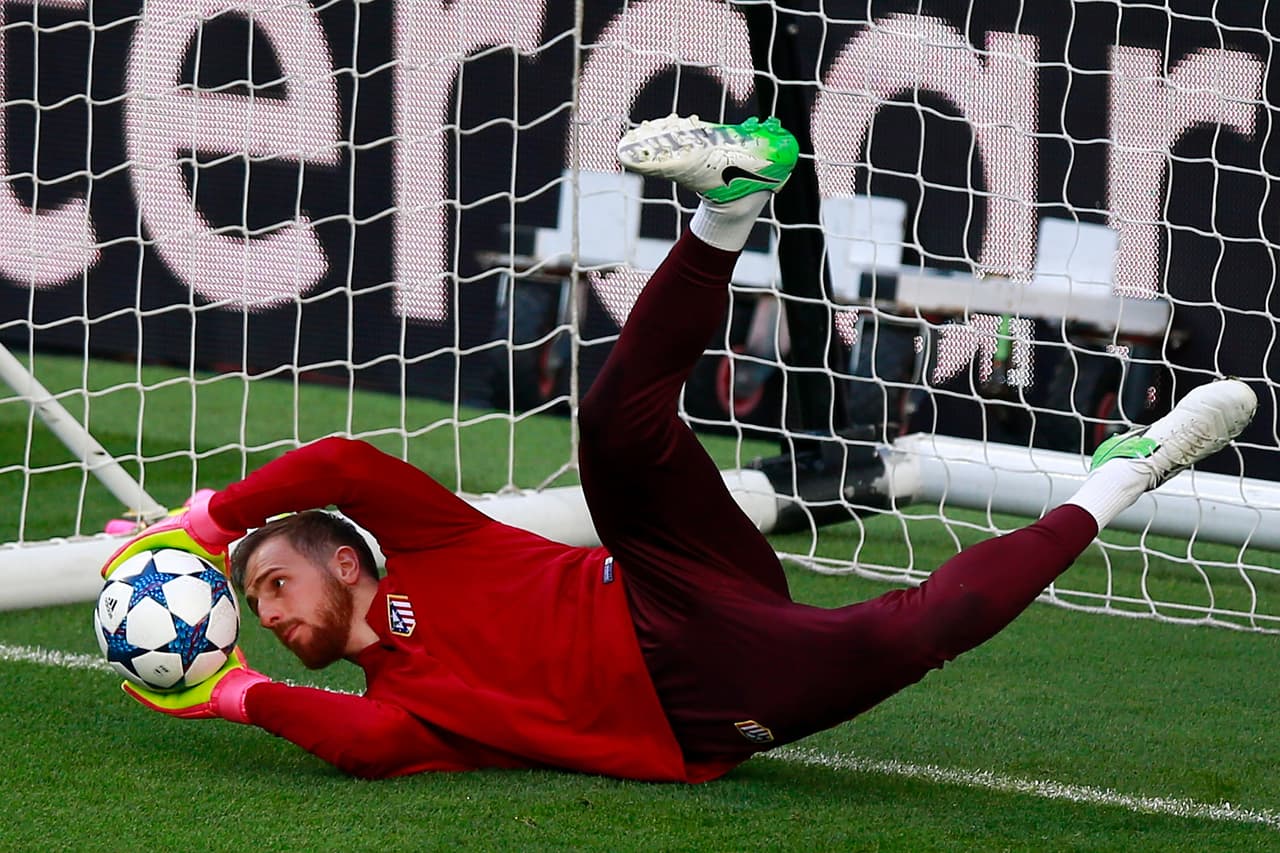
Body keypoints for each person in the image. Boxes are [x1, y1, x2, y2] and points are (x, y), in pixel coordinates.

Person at [101, 114, 1258, 782]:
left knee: (610, 423)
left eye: (273, 582)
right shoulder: (415, 703)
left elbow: (344, 461)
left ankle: (730, 204)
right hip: (701, 701)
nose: (266, 609)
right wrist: (230, 690)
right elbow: (359, 741)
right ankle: (1122, 475)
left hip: (661, 577)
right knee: (912, 632)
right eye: (252, 600)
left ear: (345, 561)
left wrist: (201, 524)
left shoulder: (423, 539)